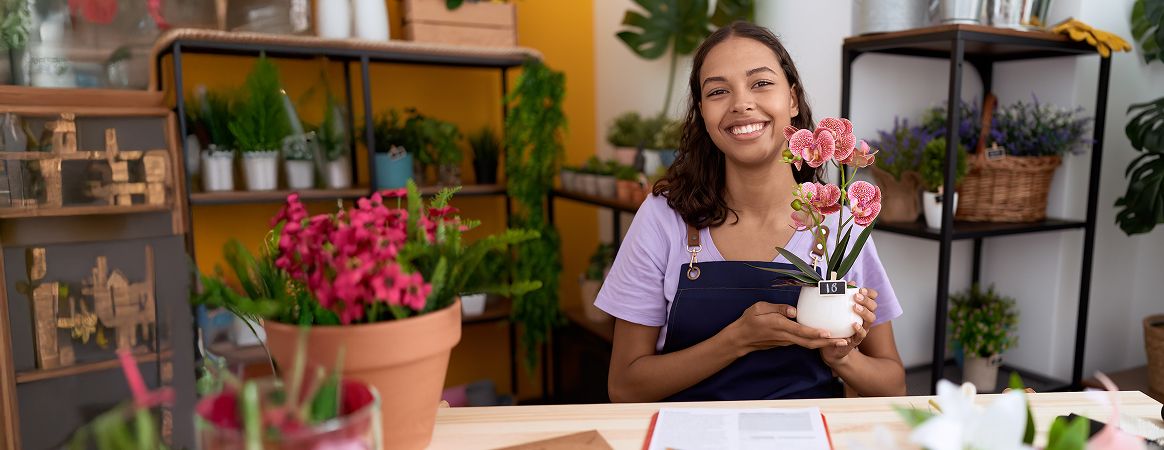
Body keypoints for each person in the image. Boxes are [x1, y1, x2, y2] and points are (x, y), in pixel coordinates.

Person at [595, 22, 907, 402]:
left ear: (792, 99)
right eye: (718, 91)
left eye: (760, 83)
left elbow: (893, 385)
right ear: (703, 113)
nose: (741, 103)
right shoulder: (664, 218)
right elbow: (624, 388)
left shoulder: (839, 222)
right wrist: (736, 341)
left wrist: (842, 358)